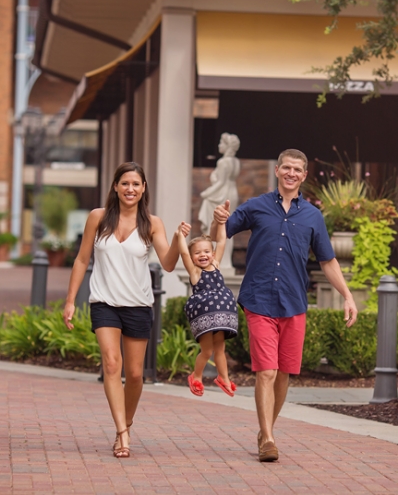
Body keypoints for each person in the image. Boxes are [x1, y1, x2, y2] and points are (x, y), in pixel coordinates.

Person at [211, 149, 358, 463]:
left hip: (294, 302)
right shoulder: (256, 206)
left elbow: (328, 260)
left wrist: (347, 295)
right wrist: (217, 221)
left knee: (284, 374)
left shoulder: (312, 216)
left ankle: (267, 430)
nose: (291, 173)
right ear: (277, 170)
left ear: (304, 175)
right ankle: (267, 438)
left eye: (298, 169)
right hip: (259, 299)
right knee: (267, 371)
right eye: (286, 168)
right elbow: (219, 235)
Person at [63, 161, 191, 459]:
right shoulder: (98, 218)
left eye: (136, 184)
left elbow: (169, 264)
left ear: (143, 188)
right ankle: (122, 433)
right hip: (104, 302)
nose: (130, 189)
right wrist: (70, 300)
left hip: (138, 305)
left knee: (134, 375)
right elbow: (82, 260)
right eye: (125, 184)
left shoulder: (152, 223)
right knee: (111, 364)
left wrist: (177, 239)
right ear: (115, 187)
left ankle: (127, 422)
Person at [176, 220, 239, 398]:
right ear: (192, 256)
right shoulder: (195, 272)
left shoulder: (215, 265)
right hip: (205, 317)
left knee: (220, 348)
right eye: (197, 253)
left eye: (206, 251)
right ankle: (196, 376)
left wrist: (221, 223)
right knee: (207, 351)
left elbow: (221, 242)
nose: (202, 255)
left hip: (220, 317)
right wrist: (180, 235)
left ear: (212, 254)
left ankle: (224, 378)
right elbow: (182, 252)